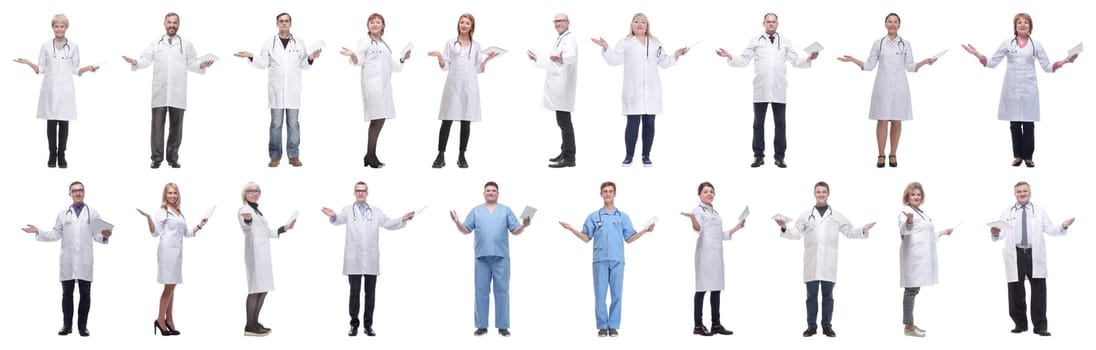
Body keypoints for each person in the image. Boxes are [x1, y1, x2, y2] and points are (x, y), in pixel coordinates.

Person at [962, 13, 1079, 168]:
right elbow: (991, 63)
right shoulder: (1007, 43)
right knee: (1015, 124)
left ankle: (1028, 157)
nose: (1023, 24)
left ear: (1030, 26)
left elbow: (1048, 67)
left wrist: (1065, 61)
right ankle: (1017, 156)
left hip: (1029, 89)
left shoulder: (1036, 45)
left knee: (1029, 124)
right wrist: (976, 54)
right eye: (1019, 22)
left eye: (1026, 22)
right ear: (1015, 26)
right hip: (1011, 89)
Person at [717, 13, 818, 168]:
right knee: (758, 124)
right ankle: (758, 156)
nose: (771, 24)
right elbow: (744, 60)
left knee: (780, 124)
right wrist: (729, 55)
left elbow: (795, 61)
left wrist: (809, 57)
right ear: (763, 23)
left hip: (779, 88)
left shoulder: (785, 41)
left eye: (773, 21)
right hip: (761, 88)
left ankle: (779, 157)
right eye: (768, 21)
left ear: (777, 23)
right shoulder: (755, 40)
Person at [774, 181, 874, 338]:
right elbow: (795, 234)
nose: (821, 194)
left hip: (829, 263)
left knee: (828, 297)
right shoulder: (806, 215)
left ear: (828, 194)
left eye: (824, 192)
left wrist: (863, 229)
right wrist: (784, 227)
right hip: (812, 263)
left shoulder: (836, 215)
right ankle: (811, 327)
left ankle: (827, 327)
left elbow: (849, 231)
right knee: (811, 297)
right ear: (814, 194)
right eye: (818, 192)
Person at [836, 13, 937, 168]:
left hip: (900, 87)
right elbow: (869, 65)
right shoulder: (879, 43)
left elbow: (910, 67)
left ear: (899, 25)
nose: (892, 24)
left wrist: (925, 62)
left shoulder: (906, 44)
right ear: (885, 24)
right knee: (882, 120)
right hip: (882, 87)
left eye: (895, 22)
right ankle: (881, 154)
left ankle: (893, 154)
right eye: (889, 21)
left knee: (897, 121)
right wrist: (853, 60)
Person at [559, 181, 655, 337]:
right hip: (600, 260)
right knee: (600, 294)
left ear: (615, 194)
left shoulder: (623, 216)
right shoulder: (594, 216)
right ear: (601, 194)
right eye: (605, 191)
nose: (608, 193)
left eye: (611, 191)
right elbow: (585, 237)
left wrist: (645, 231)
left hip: (617, 260)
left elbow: (630, 238)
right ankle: (603, 326)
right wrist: (571, 229)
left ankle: (614, 326)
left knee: (617, 294)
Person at [591, 13, 687, 167]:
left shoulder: (655, 42)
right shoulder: (625, 42)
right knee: (632, 124)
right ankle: (629, 156)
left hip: (652, 90)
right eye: (636, 22)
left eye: (643, 22)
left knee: (649, 123)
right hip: (633, 91)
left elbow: (664, 62)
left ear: (647, 25)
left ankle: (646, 156)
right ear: (632, 24)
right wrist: (606, 48)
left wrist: (676, 54)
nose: (640, 24)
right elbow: (615, 61)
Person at [321, 181, 415, 337]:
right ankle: (354, 325)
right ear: (354, 192)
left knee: (370, 294)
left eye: (363, 191)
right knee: (354, 293)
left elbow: (388, 223)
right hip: (354, 258)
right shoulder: (347, 211)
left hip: (371, 258)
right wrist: (333, 216)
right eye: (358, 190)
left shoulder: (376, 211)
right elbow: (338, 220)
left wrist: (402, 219)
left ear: (367, 193)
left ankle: (368, 326)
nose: (360, 193)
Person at [20, 181, 113, 337]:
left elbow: (97, 236)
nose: (78, 193)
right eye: (74, 191)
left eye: (80, 190)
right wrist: (39, 231)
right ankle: (67, 325)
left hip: (84, 260)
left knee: (85, 295)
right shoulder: (63, 214)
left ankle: (82, 327)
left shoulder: (93, 213)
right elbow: (56, 234)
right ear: (69, 194)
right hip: (67, 261)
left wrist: (105, 236)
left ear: (84, 192)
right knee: (66, 295)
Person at [124, 12, 214, 169]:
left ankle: (173, 158)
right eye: (169, 22)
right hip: (160, 92)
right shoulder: (155, 43)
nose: (172, 25)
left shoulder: (186, 44)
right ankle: (156, 159)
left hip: (177, 93)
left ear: (178, 24)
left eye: (175, 23)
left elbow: (192, 62)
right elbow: (145, 60)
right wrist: (135, 62)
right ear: (164, 24)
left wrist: (202, 65)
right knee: (157, 127)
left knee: (176, 128)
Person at [235, 12, 322, 168]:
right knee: (275, 124)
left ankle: (293, 156)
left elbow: (304, 65)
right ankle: (275, 156)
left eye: (286, 21)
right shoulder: (269, 42)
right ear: (277, 24)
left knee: (293, 124)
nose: (284, 23)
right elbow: (263, 63)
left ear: (290, 23)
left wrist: (311, 58)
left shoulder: (299, 43)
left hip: (293, 91)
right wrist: (250, 56)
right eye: (281, 21)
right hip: (276, 91)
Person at [14, 14, 99, 169]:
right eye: (56, 26)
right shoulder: (45, 46)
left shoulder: (74, 46)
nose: (59, 29)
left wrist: (88, 69)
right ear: (52, 27)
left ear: (66, 28)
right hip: (50, 89)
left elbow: (75, 68)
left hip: (66, 89)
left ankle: (62, 156)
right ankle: (52, 155)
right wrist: (28, 63)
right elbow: (41, 68)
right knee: (51, 123)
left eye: (62, 26)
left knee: (64, 123)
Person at [989, 181, 1074, 336]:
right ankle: (1020, 324)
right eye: (1019, 191)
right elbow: (1000, 233)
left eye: (1025, 191)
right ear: (1015, 194)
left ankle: (1040, 326)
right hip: (1016, 254)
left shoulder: (1040, 211)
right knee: (1016, 290)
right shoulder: (1007, 212)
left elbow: (1050, 229)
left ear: (1030, 193)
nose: (1022, 194)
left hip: (1034, 254)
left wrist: (1063, 226)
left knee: (1039, 290)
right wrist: (995, 233)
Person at [447, 181, 531, 336]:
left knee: (502, 291)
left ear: (498, 193)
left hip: (501, 258)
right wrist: (457, 222)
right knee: (481, 291)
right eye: (488, 190)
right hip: (482, 257)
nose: (491, 192)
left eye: (493, 190)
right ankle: (481, 325)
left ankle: (503, 326)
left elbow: (515, 230)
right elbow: (466, 230)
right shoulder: (476, 211)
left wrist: (524, 225)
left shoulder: (505, 210)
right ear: (484, 193)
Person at [339, 13, 410, 168]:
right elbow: (359, 61)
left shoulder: (384, 44)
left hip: (384, 86)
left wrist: (403, 59)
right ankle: (370, 155)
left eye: (378, 22)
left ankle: (370, 155)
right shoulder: (364, 42)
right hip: (372, 85)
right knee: (377, 119)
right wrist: (352, 55)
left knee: (379, 119)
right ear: (368, 26)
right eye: (372, 22)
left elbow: (391, 65)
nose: (375, 24)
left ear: (383, 26)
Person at [428, 13, 499, 169]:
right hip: (453, 86)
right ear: (458, 25)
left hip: (469, 87)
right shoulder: (450, 43)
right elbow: (445, 65)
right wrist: (439, 56)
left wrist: (488, 59)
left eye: (467, 23)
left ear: (472, 26)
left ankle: (462, 155)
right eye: (462, 22)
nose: (464, 25)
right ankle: (440, 154)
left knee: (466, 122)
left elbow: (477, 68)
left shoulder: (477, 46)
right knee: (447, 121)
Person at [137, 183, 208, 336]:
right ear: (165, 195)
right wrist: (148, 218)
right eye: (169, 193)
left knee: (172, 286)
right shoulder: (162, 211)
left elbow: (187, 233)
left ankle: (169, 319)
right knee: (169, 287)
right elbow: (155, 233)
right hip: (167, 252)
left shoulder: (179, 213)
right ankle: (160, 320)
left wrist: (200, 226)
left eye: (175, 193)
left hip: (177, 253)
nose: (173, 196)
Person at [680, 182, 744, 336]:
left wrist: (737, 227)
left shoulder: (714, 212)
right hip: (705, 255)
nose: (709, 194)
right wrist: (692, 219)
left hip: (716, 256)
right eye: (706, 191)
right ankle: (698, 325)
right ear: (699, 194)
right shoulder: (698, 211)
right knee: (701, 289)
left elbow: (720, 235)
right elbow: (698, 228)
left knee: (716, 289)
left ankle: (716, 324)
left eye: (711, 192)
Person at [237, 182, 297, 336]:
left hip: (263, 252)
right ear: (245, 193)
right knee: (255, 288)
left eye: (256, 191)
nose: (254, 193)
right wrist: (248, 220)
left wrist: (285, 228)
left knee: (263, 288)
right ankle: (249, 326)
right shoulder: (245, 209)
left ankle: (255, 322)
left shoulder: (257, 211)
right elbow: (246, 225)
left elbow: (267, 232)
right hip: (255, 252)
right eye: (250, 191)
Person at [896, 182, 952, 337]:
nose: (916, 197)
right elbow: (904, 230)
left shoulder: (920, 212)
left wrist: (942, 232)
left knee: (914, 289)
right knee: (911, 290)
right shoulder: (905, 212)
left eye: (918, 194)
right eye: (913, 194)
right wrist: (908, 221)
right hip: (913, 256)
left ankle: (910, 324)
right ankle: (908, 326)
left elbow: (926, 234)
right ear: (907, 196)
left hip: (921, 255)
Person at [528, 13, 579, 168]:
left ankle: (569, 157)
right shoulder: (561, 39)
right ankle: (565, 152)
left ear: (568, 22)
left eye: (561, 21)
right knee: (562, 121)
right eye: (556, 21)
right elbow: (553, 62)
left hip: (562, 88)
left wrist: (561, 58)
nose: (558, 23)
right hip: (558, 87)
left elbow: (571, 57)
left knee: (564, 122)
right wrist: (537, 59)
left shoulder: (569, 38)